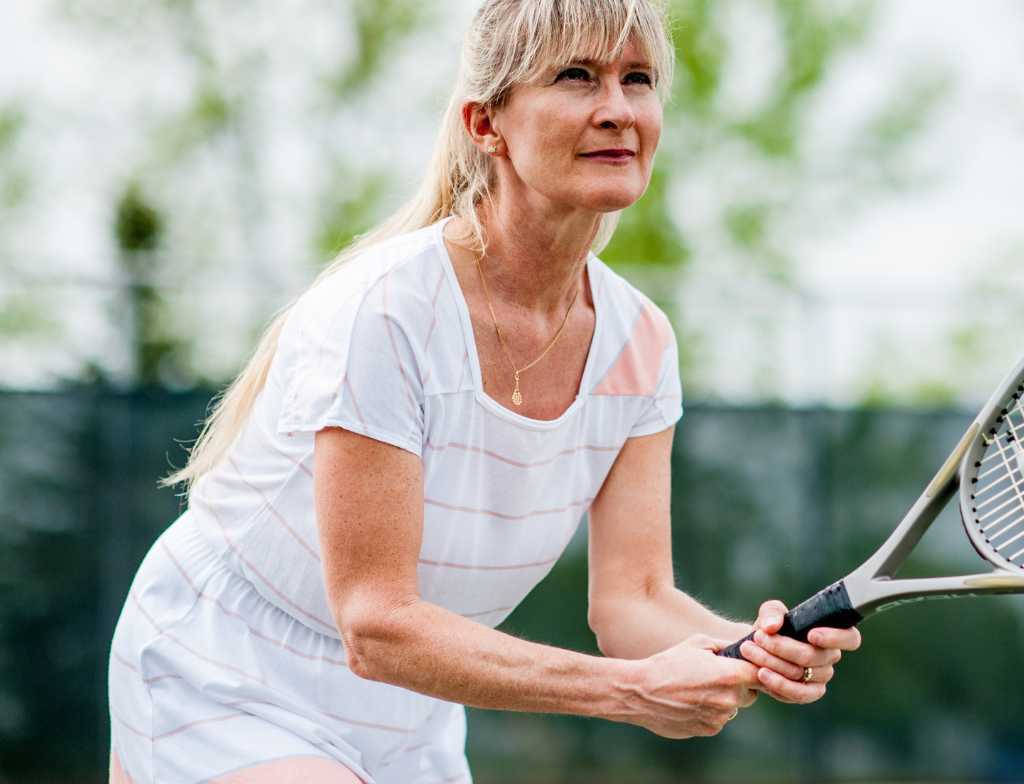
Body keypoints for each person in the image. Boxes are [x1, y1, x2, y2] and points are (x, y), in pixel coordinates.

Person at [106, 1, 860, 781]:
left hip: (412, 706)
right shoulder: (388, 311)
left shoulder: (641, 342)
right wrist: (628, 691)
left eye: (637, 80)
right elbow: (377, 624)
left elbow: (633, 599)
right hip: (225, 666)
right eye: (576, 76)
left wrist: (746, 651)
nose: (618, 110)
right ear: (485, 124)